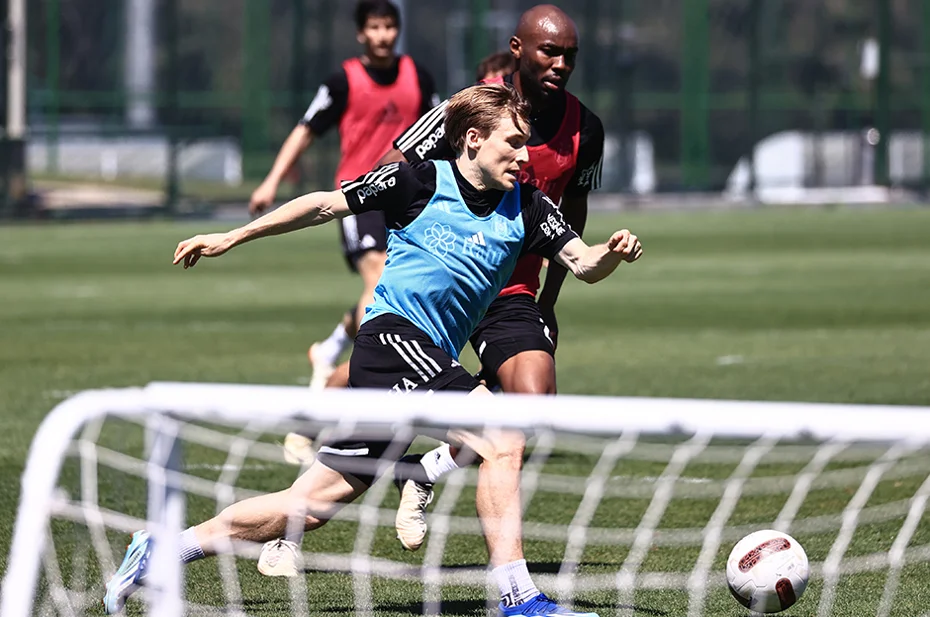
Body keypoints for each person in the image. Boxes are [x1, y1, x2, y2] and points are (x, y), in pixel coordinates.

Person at [103, 83, 641, 617]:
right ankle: (519, 598)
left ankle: (162, 550)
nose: (526, 157)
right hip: (392, 341)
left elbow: (583, 263)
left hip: (421, 360)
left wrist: (612, 252)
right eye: (514, 143)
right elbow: (323, 205)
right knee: (502, 437)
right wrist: (231, 236)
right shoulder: (416, 180)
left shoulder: (529, 206)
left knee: (309, 507)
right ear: (473, 138)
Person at [384, 4, 606, 551]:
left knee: (533, 400)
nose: (560, 64)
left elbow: (572, 214)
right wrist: (409, 252)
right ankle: (291, 513)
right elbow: (397, 169)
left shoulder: (586, 129)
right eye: (549, 52)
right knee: (363, 403)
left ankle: (426, 470)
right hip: (443, 283)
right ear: (517, 49)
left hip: (511, 290)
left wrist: (549, 299)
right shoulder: (470, 107)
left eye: (570, 55)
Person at [248, 0, 438, 396]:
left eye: (389, 26)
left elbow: (442, 130)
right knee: (379, 278)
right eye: (375, 27)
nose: (383, 35)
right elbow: (305, 129)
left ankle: (331, 349)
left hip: (409, 196)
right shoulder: (342, 81)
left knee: (399, 285)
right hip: (359, 195)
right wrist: (271, 181)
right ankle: (368, 376)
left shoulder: (418, 76)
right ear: (360, 33)